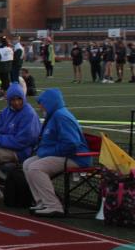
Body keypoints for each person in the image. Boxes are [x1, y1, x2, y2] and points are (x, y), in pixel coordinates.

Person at [23, 88, 91, 217]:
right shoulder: (54, 115)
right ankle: (41, 201)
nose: (39, 106)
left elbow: (71, 143)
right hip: (65, 155)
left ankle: (53, 205)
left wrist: (49, 152)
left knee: (35, 168)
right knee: (27, 164)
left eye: (41, 103)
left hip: (75, 158)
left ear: (49, 103)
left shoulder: (61, 116)